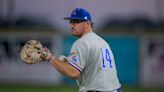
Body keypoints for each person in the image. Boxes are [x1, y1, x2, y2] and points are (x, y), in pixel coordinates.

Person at [48, 8, 121, 92]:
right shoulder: (103, 42)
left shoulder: (82, 42)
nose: (72, 25)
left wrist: (50, 57)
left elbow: (73, 73)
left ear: (87, 23)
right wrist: (64, 63)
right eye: (71, 21)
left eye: (76, 21)